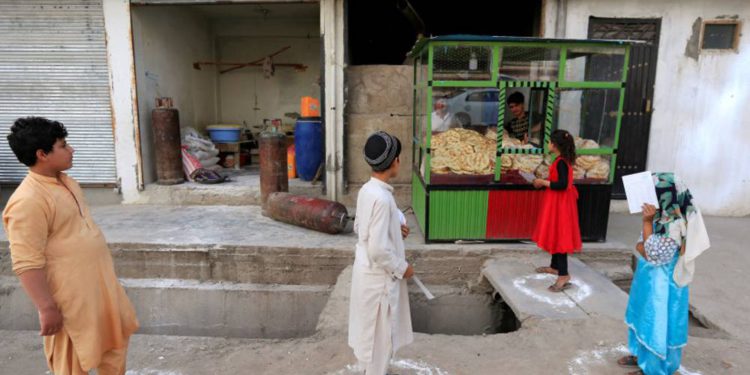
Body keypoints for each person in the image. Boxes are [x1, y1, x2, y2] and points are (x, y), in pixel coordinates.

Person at [3, 117, 138, 375]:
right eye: (63, 145)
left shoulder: (67, 182)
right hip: (69, 301)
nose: (71, 149)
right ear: (42, 154)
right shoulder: (27, 201)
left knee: (115, 347)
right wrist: (46, 308)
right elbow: (26, 262)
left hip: (100, 290)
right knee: (72, 363)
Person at [617, 173, 709, 375]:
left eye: (652, 192)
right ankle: (640, 355)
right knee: (642, 317)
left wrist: (647, 225)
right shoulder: (662, 218)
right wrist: (646, 238)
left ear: (665, 195)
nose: (646, 198)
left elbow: (650, 253)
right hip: (649, 281)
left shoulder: (673, 225)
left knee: (657, 324)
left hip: (663, 287)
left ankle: (654, 368)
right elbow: (641, 246)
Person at [349, 131, 414, 374]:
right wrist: (402, 268)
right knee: (379, 340)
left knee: (370, 338)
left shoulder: (367, 190)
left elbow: (360, 228)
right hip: (379, 281)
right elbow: (377, 249)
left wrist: (394, 229)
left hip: (366, 276)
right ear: (394, 161)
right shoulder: (383, 199)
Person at [531, 129, 582, 292]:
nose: (547, 144)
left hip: (560, 204)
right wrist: (544, 181)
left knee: (560, 236)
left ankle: (564, 275)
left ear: (554, 144)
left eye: (549, 141)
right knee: (555, 233)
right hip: (557, 202)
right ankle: (554, 267)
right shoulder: (561, 160)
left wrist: (542, 182)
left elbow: (562, 185)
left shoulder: (561, 162)